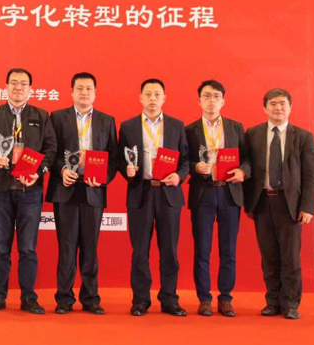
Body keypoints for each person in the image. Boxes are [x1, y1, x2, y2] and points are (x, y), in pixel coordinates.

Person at [0, 68, 57, 314]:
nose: (18, 87)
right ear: (6, 86)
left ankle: (28, 298)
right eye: (13, 83)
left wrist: (39, 172)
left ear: (30, 89)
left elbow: (51, 149)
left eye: (23, 83)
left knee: (28, 248)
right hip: (0, 190)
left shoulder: (41, 116)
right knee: (0, 248)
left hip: (30, 191)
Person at [46, 72, 118, 315]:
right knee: (66, 247)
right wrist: (62, 170)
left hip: (93, 189)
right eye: (80, 88)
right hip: (65, 188)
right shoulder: (57, 117)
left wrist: (103, 177)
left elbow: (114, 157)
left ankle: (91, 298)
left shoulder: (107, 120)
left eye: (89, 88)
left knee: (90, 247)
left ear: (95, 93)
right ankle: (64, 298)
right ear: (72, 92)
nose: (84, 92)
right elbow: (51, 151)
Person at [117, 78, 189, 317]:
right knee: (139, 251)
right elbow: (119, 158)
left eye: (157, 94)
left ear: (164, 98)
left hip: (169, 193)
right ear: (140, 98)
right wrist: (126, 170)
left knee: (169, 250)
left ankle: (169, 299)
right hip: (141, 191)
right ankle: (140, 300)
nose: (152, 99)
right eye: (148, 94)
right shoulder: (128, 126)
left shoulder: (177, 126)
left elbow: (185, 160)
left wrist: (179, 176)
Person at [244, 88, 314, 320]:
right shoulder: (252, 134)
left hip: (290, 205)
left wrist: (307, 207)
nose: (278, 108)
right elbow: (247, 167)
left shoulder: (303, 136)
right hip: (262, 202)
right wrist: (248, 203)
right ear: (265, 108)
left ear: (290, 107)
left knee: (290, 257)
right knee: (269, 256)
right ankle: (272, 302)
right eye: (273, 104)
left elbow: (311, 175)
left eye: (283, 103)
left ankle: (291, 304)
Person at [185, 80, 250, 317]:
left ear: (223, 101)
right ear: (199, 100)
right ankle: (204, 298)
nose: (211, 100)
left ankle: (225, 298)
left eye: (216, 96)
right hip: (203, 192)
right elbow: (183, 161)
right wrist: (195, 167)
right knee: (202, 249)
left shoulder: (236, 127)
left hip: (229, 193)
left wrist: (243, 172)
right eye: (206, 96)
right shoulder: (189, 130)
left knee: (228, 249)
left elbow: (248, 159)